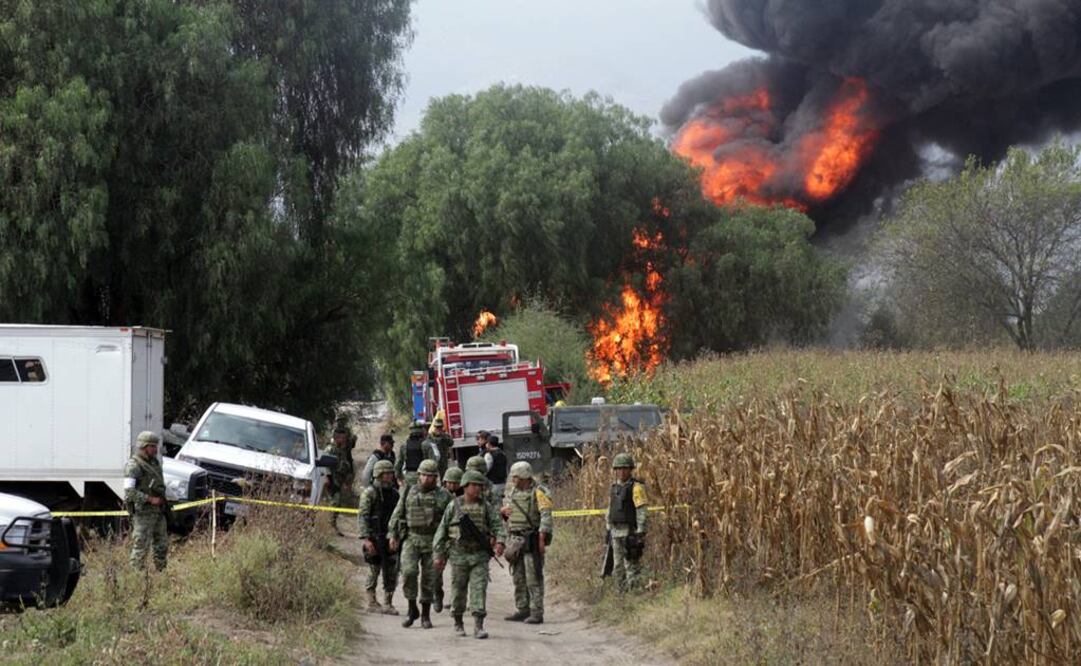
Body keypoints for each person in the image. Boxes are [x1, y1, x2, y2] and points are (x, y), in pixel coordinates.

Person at [433, 471, 506, 639]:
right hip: (458, 555)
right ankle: (458, 622)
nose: (477, 488)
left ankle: (478, 625)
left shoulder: (486, 506)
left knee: (479, 589)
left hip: (479, 555)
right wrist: (438, 554)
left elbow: (498, 525)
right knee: (458, 590)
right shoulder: (454, 506)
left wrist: (500, 542)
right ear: (465, 486)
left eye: (480, 485)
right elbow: (441, 531)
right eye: (474, 485)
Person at [389, 459, 452, 629]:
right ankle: (411, 610)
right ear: (418, 475)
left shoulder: (444, 496)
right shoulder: (409, 490)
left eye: (430, 476)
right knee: (408, 572)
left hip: (433, 541)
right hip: (412, 538)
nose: (426, 479)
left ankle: (425, 614)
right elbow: (398, 513)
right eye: (423, 475)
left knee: (429, 579)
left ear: (436, 478)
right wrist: (393, 535)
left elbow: (451, 522)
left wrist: (447, 547)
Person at [501, 461, 553, 623]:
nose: (513, 480)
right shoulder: (511, 491)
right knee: (518, 577)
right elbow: (506, 512)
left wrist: (542, 539)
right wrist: (503, 512)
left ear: (524, 477)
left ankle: (536, 612)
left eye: (515, 477)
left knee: (533, 577)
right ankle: (522, 609)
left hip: (531, 539)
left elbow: (546, 515)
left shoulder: (539, 491)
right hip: (515, 540)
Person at [357, 460, 401, 614]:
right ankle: (371, 601)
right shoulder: (370, 493)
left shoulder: (394, 494)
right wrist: (366, 539)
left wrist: (395, 536)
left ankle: (388, 603)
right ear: (379, 474)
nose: (390, 476)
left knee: (392, 570)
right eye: (387, 473)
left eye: (391, 473)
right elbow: (363, 516)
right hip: (374, 537)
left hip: (390, 537)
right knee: (373, 569)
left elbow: (399, 516)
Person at [124, 431, 169, 571]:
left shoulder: (154, 463)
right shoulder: (134, 466)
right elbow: (129, 492)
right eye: (152, 446)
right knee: (141, 547)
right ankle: (135, 579)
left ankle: (161, 573)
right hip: (143, 513)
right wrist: (149, 499)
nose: (156, 449)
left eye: (156, 446)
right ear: (144, 446)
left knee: (162, 545)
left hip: (158, 512)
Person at [606, 453, 648, 591]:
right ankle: (621, 592)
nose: (621, 472)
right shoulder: (614, 487)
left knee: (631, 564)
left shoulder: (636, 487)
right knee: (617, 565)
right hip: (615, 531)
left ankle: (634, 593)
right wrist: (608, 527)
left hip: (630, 531)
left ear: (630, 469)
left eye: (625, 468)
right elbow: (610, 508)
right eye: (618, 469)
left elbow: (641, 510)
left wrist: (640, 530)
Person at [433, 466, 465, 613]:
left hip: (456, 539)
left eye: (456, 483)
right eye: (450, 483)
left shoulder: (465, 498)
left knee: (457, 573)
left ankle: (456, 600)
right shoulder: (438, 495)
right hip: (440, 537)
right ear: (445, 482)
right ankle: (437, 594)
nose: (453, 486)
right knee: (436, 571)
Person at [326, 425, 357, 535]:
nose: (344, 440)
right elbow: (325, 465)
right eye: (342, 438)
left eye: (345, 438)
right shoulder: (330, 449)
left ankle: (331, 524)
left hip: (338, 481)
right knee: (335, 502)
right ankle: (329, 525)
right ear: (336, 438)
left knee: (337, 504)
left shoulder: (342, 450)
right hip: (331, 481)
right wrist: (327, 478)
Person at [395, 421, 438, 487]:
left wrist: (398, 477)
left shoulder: (404, 445)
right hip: (424, 476)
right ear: (421, 430)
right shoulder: (427, 444)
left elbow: (399, 462)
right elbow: (433, 462)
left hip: (409, 477)